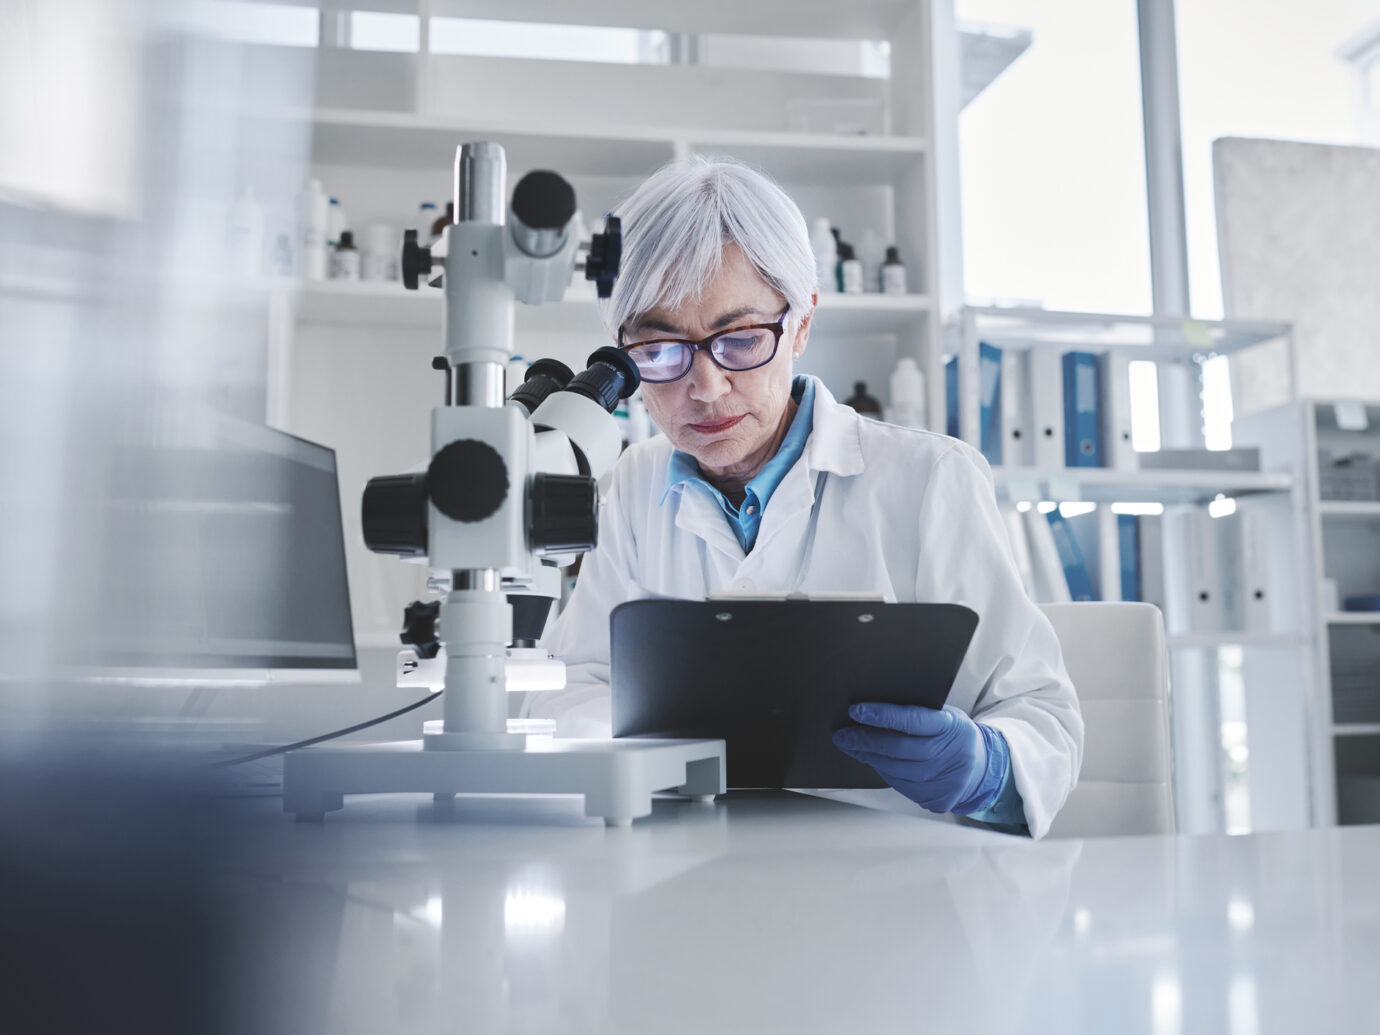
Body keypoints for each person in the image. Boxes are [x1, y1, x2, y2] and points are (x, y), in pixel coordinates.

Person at [524, 157, 1082, 839]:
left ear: (802, 325)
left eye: (740, 340)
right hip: (690, 878)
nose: (704, 387)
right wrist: (641, 747)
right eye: (662, 348)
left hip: (896, 885)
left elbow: (1043, 718)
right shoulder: (633, 486)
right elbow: (571, 684)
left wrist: (985, 768)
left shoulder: (932, 479)